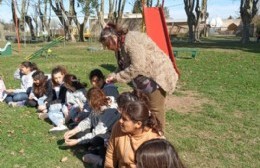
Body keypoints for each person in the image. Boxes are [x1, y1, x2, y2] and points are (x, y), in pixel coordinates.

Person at [99, 23, 179, 130]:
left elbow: (137, 66)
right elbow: (123, 65)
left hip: (156, 77)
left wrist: (117, 77)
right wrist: (114, 75)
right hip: (143, 79)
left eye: (107, 45)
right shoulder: (119, 46)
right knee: (143, 107)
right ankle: (147, 134)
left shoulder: (131, 41)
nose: (107, 48)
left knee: (155, 109)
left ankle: (158, 138)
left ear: (113, 38)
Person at [64, 87, 120, 167]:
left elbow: (97, 132)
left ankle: (96, 152)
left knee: (95, 139)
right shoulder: (98, 104)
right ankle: (92, 148)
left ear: (91, 101)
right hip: (98, 130)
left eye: (88, 101)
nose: (88, 104)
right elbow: (89, 120)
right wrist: (74, 130)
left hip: (108, 135)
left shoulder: (110, 111)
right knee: (80, 133)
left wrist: (77, 141)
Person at [105, 92, 163, 168]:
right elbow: (111, 154)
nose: (120, 121)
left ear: (138, 124)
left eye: (124, 119)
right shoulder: (118, 126)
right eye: (121, 117)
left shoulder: (153, 139)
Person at [47, 66, 68, 132]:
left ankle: (60, 124)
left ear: (64, 75)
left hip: (66, 104)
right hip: (61, 104)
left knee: (51, 111)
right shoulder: (54, 84)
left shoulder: (65, 85)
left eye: (59, 77)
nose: (58, 80)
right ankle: (61, 122)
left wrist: (48, 104)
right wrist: (46, 102)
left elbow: (62, 99)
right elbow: (51, 95)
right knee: (51, 109)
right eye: (55, 78)